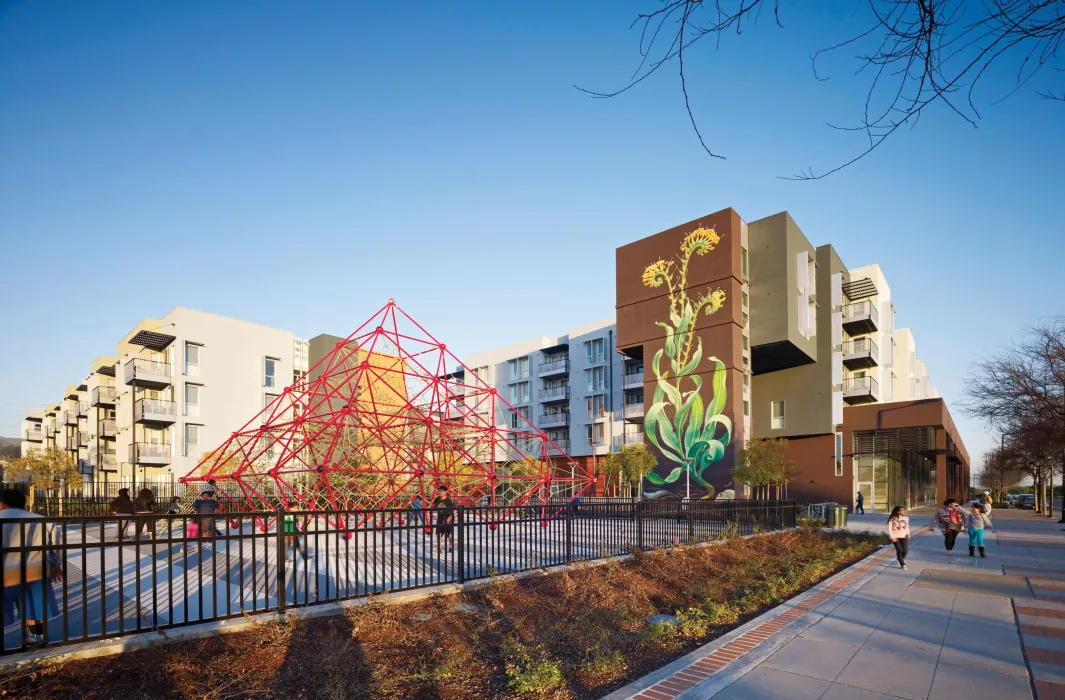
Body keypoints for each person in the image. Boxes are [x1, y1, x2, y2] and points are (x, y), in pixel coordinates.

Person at [0, 488, 61, 641]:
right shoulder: (42, 521)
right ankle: (36, 638)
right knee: (34, 608)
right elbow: (55, 546)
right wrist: (55, 565)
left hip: (4, 573)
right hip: (35, 571)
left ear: (1, 504)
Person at [431, 484, 456, 555]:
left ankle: (451, 547)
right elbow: (432, 505)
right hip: (440, 518)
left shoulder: (448, 501)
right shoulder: (437, 499)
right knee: (438, 534)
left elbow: (454, 510)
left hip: (448, 518)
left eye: (441, 491)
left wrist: (449, 519)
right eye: (438, 491)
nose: (439, 492)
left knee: (450, 535)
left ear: (445, 492)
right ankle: (439, 550)